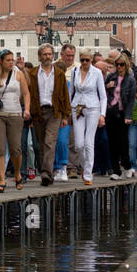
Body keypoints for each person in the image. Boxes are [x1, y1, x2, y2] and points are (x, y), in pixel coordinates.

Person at [0, 49, 31, 190]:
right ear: (1, 62)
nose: (11, 62)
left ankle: (17, 174)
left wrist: (26, 109)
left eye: (12, 59)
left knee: (16, 149)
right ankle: (2, 180)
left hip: (15, 114)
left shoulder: (18, 75)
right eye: (8, 60)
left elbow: (26, 94)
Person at [27, 43, 71, 185]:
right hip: (38, 111)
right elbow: (28, 93)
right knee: (40, 144)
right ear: (39, 57)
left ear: (53, 56)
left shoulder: (58, 74)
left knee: (49, 142)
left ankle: (46, 173)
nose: (47, 57)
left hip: (54, 112)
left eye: (49, 54)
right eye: (44, 54)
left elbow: (64, 95)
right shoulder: (32, 73)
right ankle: (46, 172)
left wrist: (65, 116)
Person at [68, 50, 106, 185]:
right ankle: (84, 166)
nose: (84, 63)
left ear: (91, 61)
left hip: (93, 108)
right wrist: (68, 110)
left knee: (89, 142)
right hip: (77, 107)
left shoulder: (97, 73)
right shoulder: (75, 71)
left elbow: (103, 96)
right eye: (82, 60)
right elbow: (71, 91)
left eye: (87, 60)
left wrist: (102, 114)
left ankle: (88, 174)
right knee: (78, 144)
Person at [104, 55, 135, 178]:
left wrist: (128, 116)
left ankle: (127, 165)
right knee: (112, 143)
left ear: (126, 65)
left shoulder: (130, 80)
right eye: (117, 64)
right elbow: (102, 92)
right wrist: (107, 87)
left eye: (121, 64)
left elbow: (131, 100)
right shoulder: (111, 77)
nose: (119, 67)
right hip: (111, 111)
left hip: (122, 113)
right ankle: (116, 170)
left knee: (123, 142)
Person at [52, 42, 77, 182]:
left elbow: (69, 100)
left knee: (64, 141)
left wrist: (67, 115)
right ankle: (56, 168)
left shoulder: (76, 69)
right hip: (53, 115)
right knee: (53, 142)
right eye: (68, 55)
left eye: (72, 56)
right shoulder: (51, 80)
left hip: (65, 116)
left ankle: (64, 166)